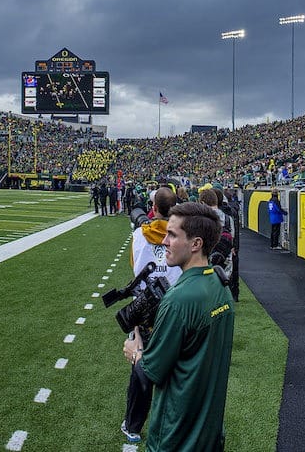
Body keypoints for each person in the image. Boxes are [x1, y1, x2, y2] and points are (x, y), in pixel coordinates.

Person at [123, 201, 235, 452]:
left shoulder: (177, 300)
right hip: (210, 432)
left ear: (196, 244)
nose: (164, 241)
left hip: (177, 436)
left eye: (172, 235)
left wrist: (134, 352)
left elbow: (151, 371)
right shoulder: (220, 285)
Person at [122, 187, 181, 443]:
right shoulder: (182, 234)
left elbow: (133, 264)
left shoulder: (139, 234)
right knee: (175, 370)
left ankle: (133, 426)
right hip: (174, 307)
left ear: (153, 208)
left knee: (140, 368)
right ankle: (172, 426)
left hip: (144, 310)